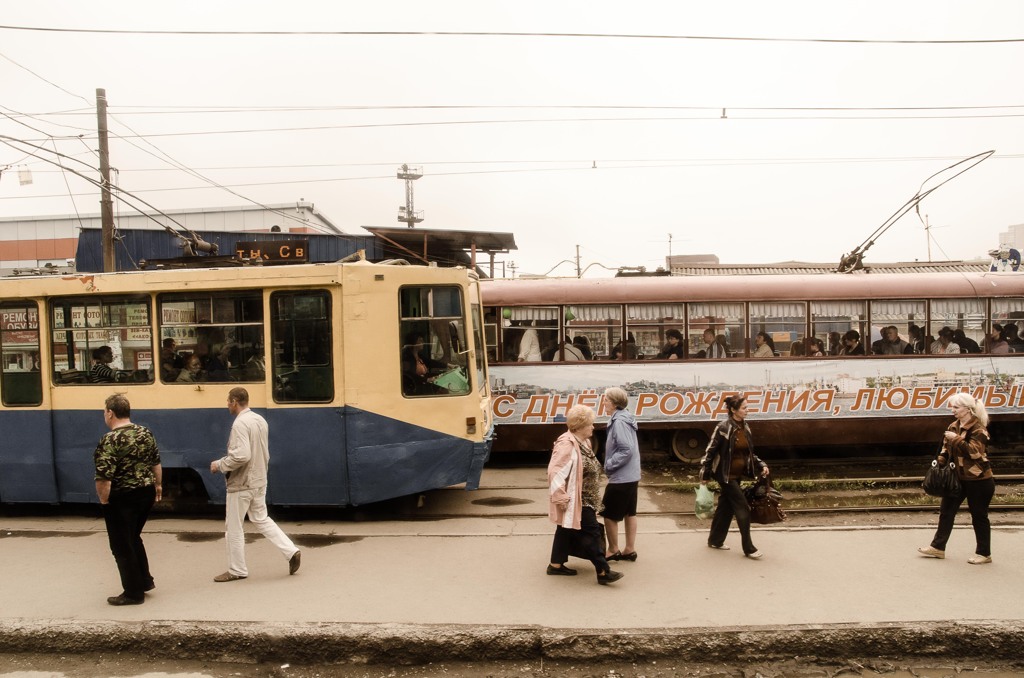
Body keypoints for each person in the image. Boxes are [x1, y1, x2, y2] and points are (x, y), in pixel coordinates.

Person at [210, 387, 301, 582]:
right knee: (261, 519)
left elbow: (242, 455)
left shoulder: (240, 424)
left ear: (235, 401)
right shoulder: (260, 420)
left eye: (228, 401)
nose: (227, 404)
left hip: (242, 483)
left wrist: (220, 464)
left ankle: (237, 570)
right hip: (259, 479)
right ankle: (291, 551)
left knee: (234, 527)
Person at [94, 394, 162, 605]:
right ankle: (144, 581)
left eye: (105, 411)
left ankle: (133, 593)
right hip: (146, 492)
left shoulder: (109, 439)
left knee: (121, 545)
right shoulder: (145, 432)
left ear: (110, 413)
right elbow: (156, 462)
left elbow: (104, 477)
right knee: (133, 537)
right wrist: (158, 485)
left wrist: (104, 501)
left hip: (123, 497)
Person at [546, 404, 623, 585]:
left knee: (565, 529)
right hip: (577, 498)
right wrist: (560, 497)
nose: (593, 427)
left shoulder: (584, 442)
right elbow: (554, 472)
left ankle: (555, 565)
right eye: (590, 424)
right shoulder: (567, 445)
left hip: (586, 495)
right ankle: (603, 571)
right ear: (580, 426)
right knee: (592, 533)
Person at [917, 393, 995, 565]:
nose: (952, 410)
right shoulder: (954, 426)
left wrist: (956, 439)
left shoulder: (979, 429)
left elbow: (974, 452)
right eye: (952, 407)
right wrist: (941, 461)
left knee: (979, 516)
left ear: (967, 409)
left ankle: (984, 553)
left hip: (979, 480)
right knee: (946, 512)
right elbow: (946, 449)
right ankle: (938, 548)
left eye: (956, 407)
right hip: (957, 479)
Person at [700, 394, 770, 558]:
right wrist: (705, 473)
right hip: (725, 476)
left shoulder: (745, 427)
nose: (748, 410)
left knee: (726, 507)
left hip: (737, 475)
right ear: (733, 410)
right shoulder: (724, 427)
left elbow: (749, 453)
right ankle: (749, 548)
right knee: (742, 507)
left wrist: (761, 464)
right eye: (744, 408)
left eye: (747, 407)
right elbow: (710, 451)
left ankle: (715, 540)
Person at [599, 387, 640, 563]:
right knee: (630, 513)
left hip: (621, 477)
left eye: (606, 400)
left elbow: (626, 449)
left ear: (614, 403)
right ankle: (629, 550)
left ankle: (613, 549)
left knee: (608, 514)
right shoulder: (625, 418)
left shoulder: (619, 422)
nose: (604, 403)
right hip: (631, 475)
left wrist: (609, 465)